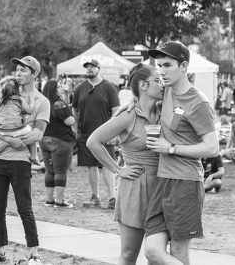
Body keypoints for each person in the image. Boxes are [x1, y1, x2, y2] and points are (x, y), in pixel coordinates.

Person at [143, 41, 219, 265]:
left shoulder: (199, 103)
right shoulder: (164, 91)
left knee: (178, 252)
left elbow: (212, 148)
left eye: (167, 65)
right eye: (159, 65)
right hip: (162, 180)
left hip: (185, 182)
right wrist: (130, 106)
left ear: (184, 66)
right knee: (152, 251)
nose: (162, 71)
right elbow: (142, 93)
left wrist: (172, 148)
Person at [87, 63, 163, 264]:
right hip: (135, 187)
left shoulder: (165, 110)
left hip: (163, 186)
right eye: (157, 80)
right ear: (143, 85)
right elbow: (93, 141)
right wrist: (118, 169)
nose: (163, 84)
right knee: (129, 254)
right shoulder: (128, 114)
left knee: (155, 255)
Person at [0, 56, 50, 265]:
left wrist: (6, 142)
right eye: (17, 70)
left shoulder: (41, 102)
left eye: (24, 70)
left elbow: (37, 134)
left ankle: (34, 254)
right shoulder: (8, 92)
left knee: (24, 208)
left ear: (35, 74)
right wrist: (4, 140)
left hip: (21, 162)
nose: (18, 73)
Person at [72, 58, 120, 209]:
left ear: (98, 68)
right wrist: (77, 126)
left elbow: (116, 111)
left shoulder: (109, 87)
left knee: (107, 165)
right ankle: (95, 197)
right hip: (85, 134)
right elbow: (74, 109)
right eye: (87, 67)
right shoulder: (80, 88)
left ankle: (113, 198)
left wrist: (113, 132)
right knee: (91, 166)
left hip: (105, 134)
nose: (89, 69)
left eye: (92, 67)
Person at [40, 79, 76, 208]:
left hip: (44, 139)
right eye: (59, 86)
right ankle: (59, 201)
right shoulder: (59, 103)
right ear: (54, 89)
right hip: (60, 140)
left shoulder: (41, 102)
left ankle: (49, 200)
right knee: (60, 171)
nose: (62, 88)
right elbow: (70, 121)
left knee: (50, 171)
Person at [0, 75, 37, 163]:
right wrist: (32, 100)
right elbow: (30, 110)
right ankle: (34, 156)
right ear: (17, 89)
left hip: (2, 131)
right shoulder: (19, 100)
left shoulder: (0, 100)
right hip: (17, 130)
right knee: (30, 132)